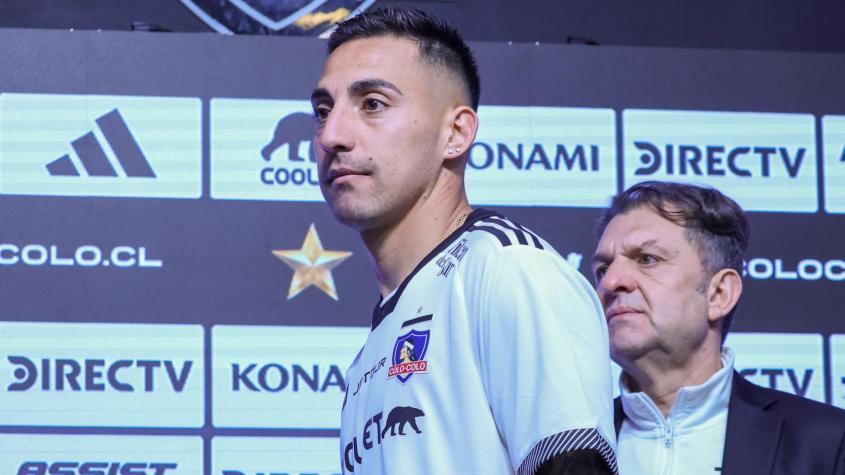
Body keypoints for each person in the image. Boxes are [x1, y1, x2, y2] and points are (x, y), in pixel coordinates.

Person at [311, 7, 617, 474]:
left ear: (456, 133)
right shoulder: (377, 341)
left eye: (372, 104)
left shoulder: (507, 268)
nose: (332, 135)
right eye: (323, 111)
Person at [591, 180, 845, 474]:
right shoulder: (566, 448)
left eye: (647, 259)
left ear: (719, 294)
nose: (610, 283)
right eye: (603, 269)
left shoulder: (827, 444)